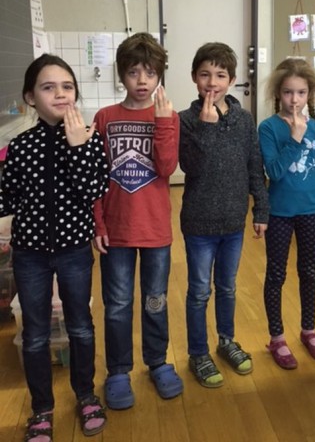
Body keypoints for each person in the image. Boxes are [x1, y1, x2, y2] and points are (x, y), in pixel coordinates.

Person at [0, 54, 109, 442]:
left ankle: (86, 395)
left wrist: (78, 147)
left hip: (74, 249)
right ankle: (41, 409)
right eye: (49, 87)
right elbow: (7, 198)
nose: (60, 94)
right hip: (29, 253)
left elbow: (94, 191)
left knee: (80, 325)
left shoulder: (89, 138)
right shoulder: (21, 145)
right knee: (35, 334)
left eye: (67, 86)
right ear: (31, 97)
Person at [93, 33, 183, 408]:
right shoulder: (105, 118)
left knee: (155, 300)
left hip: (155, 229)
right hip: (116, 229)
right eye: (133, 72)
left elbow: (166, 168)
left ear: (160, 75)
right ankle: (117, 371)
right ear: (121, 75)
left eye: (150, 72)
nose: (142, 81)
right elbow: (95, 177)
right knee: (116, 304)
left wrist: (162, 122)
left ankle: (158, 362)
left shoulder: (169, 116)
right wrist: (98, 223)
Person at [179, 42, 269, 388]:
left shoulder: (243, 120)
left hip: (233, 221)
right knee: (199, 291)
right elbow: (190, 166)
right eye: (205, 74)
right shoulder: (185, 120)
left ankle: (226, 340)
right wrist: (205, 127)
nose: (212, 82)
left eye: (220, 75)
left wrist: (261, 208)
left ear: (231, 80)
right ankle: (198, 352)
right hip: (199, 222)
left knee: (227, 287)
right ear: (194, 77)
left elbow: (254, 166)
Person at [258, 58, 315, 370]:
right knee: (276, 274)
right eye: (288, 92)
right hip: (279, 213)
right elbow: (274, 172)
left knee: (309, 271)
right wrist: (294, 139)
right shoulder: (268, 128)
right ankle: (277, 337)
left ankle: (309, 330)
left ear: (309, 94)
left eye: (301, 93)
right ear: (279, 93)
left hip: (312, 211)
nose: (294, 100)